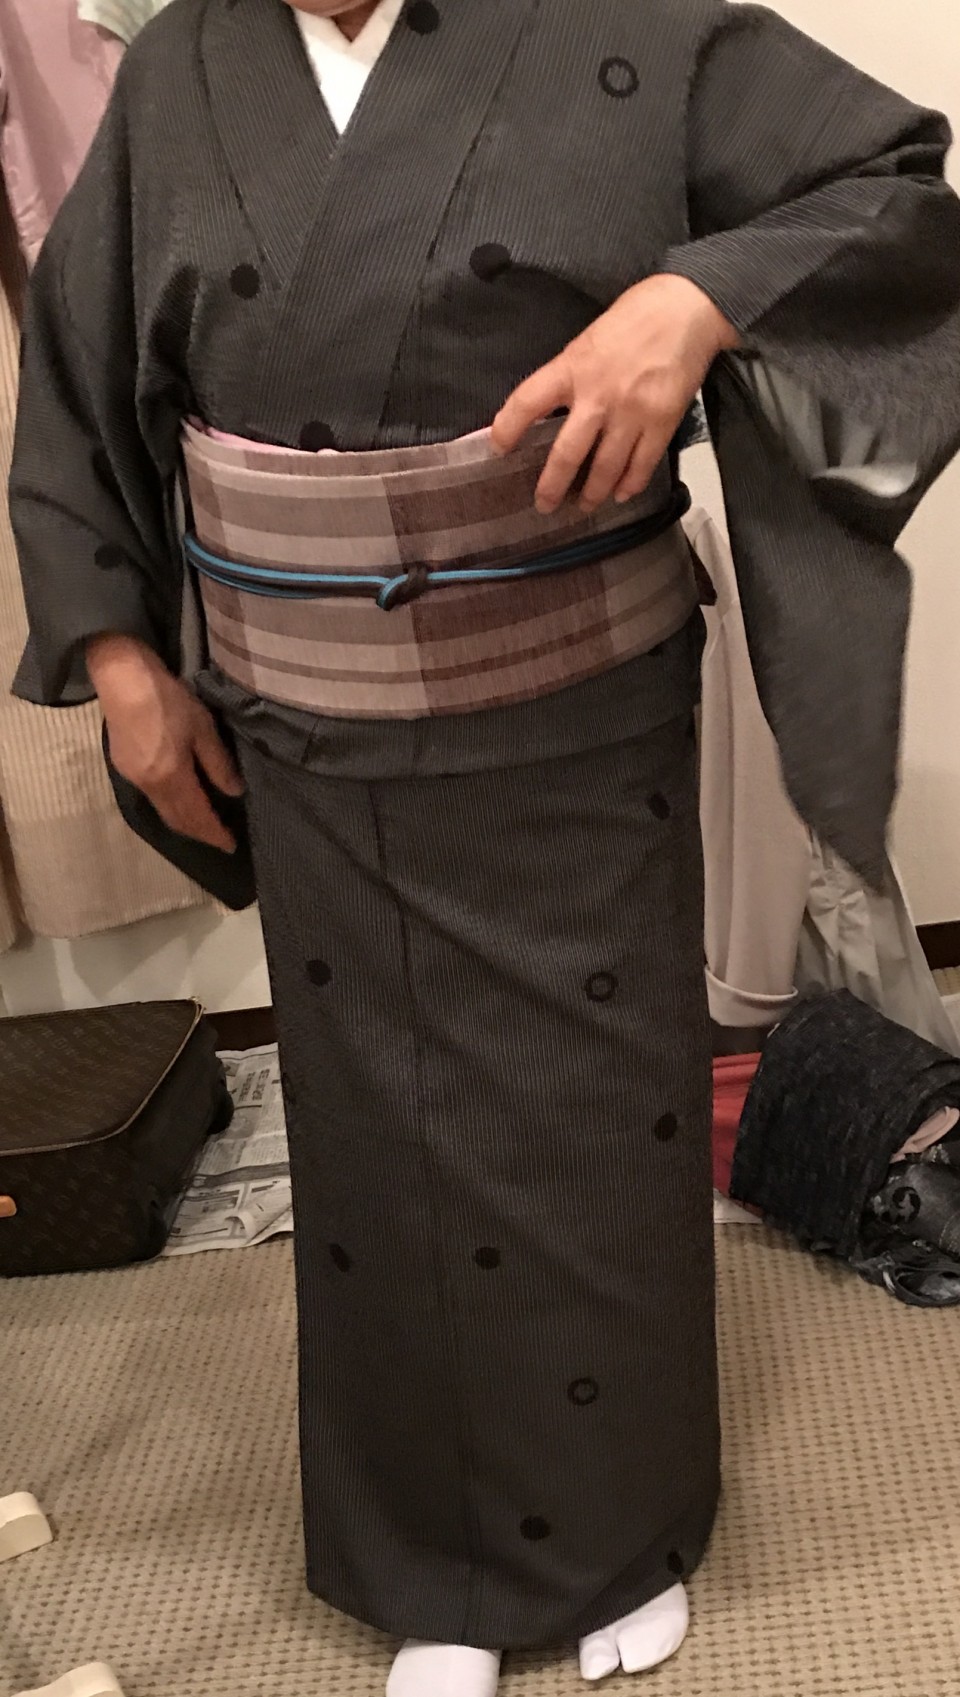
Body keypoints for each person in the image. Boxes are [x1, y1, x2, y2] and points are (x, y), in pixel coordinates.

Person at [9, 1, 960, 1692]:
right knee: (378, 1141)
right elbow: (82, 380)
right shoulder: (179, 73)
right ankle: (430, 1562)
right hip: (310, 734)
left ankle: (616, 1534)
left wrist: (699, 298)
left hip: (571, 719)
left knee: (591, 1125)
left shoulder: (628, 24)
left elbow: (895, 192)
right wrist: (119, 659)